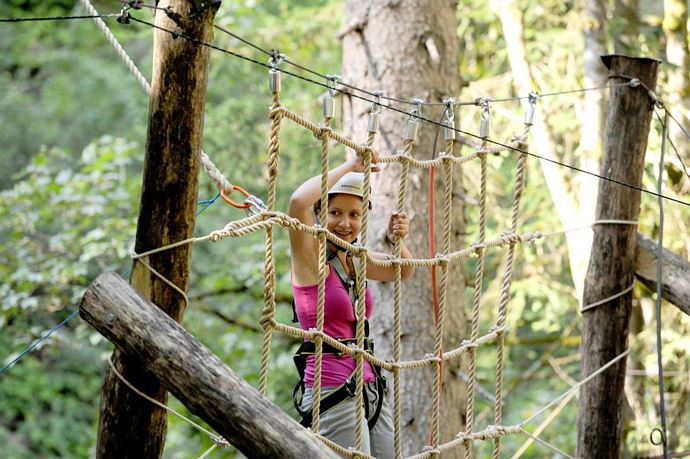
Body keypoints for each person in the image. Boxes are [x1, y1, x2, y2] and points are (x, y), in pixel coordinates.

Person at [288, 154, 414, 458]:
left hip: (371, 387)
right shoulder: (309, 257)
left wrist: (398, 240)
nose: (345, 223)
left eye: (354, 215)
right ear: (320, 212)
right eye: (335, 212)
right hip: (331, 389)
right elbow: (296, 203)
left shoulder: (354, 258)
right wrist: (349, 168)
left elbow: (404, 271)